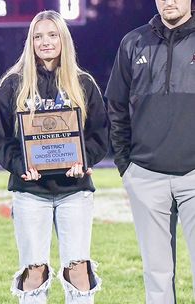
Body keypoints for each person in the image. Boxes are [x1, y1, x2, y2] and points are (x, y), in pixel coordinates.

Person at [0, 10, 108, 304]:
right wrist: (21, 167)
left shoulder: (83, 83)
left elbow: (100, 133)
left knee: (79, 271)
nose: (45, 42)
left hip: (74, 191)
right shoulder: (12, 84)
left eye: (52, 35)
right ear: (30, 42)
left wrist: (85, 160)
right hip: (30, 191)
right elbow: (0, 139)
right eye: (38, 36)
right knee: (35, 272)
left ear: (63, 39)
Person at [106, 0, 195, 302]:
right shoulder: (133, 42)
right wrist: (126, 167)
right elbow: (116, 106)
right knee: (156, 274)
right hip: (146, 176)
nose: (169, 1)